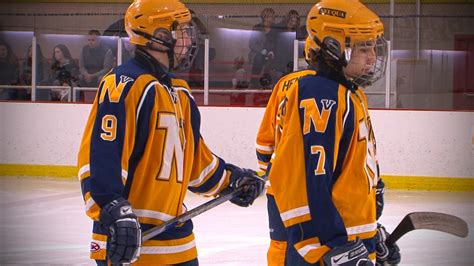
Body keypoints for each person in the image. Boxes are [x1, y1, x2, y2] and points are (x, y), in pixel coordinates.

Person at [77, 0, 265, 265]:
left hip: (178, 241)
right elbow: (99, 159)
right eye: (183, 31)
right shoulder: (123, 85)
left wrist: (232, 180)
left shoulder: (179, 92)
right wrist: (112, 210)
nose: (189, 39)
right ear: (160, 36)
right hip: (129, 243)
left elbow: (196, 166)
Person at [255, 0, 401, 265]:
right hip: (329, 244)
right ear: (335, 47)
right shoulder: (320, 94)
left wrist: (370, 232)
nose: (372, 57)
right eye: (363, 47)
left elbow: (347, 177)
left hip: (348, 237)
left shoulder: (351, 93)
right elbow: (309, 187)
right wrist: (331, 245)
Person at [248, 8, 278, 89]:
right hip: (258, 54)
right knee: (259, 58)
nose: (273, 18)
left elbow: (277, 43)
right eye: (272, 16)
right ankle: (254, 82)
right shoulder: (257, 28)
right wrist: (262, 51)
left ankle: (267, 83)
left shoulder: (276, 29)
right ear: (265, 17)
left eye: (274, 16)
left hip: (271, 55)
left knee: (272, 61)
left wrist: (272, 51)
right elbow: (252, 44)